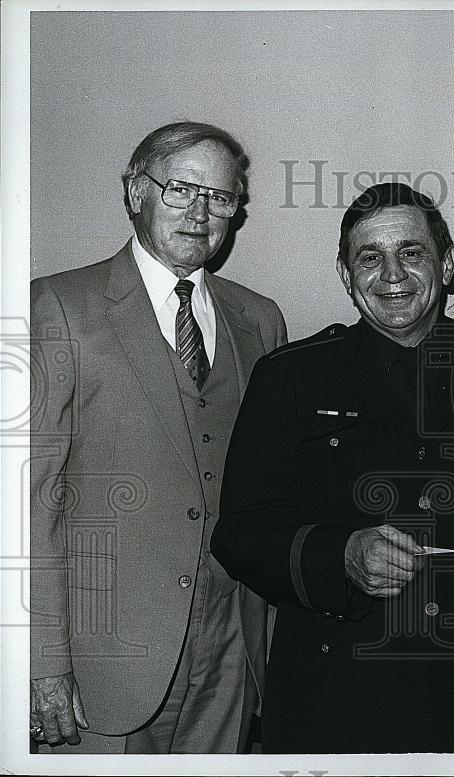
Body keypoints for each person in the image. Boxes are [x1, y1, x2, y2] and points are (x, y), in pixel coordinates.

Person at [211, 182, 454, 753]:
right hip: (332, 702)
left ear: (447, 263)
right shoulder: (291, 377)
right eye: (370, 257)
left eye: (412, 253)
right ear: (346, 274)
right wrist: (338, 555)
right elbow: (240, 533)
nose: (392, 274)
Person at [29, 122, 287, 753]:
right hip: (102, 662)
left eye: (221, 198)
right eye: (180, 190)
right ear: (134, 192)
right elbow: (23, 502)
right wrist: (40, 662)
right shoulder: (57, 306)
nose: (201, 213)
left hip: (231, 655)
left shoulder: (259, 319)